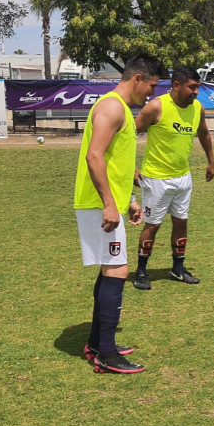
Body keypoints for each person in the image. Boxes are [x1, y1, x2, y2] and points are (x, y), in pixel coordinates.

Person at [74, 54, 163, 374]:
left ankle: (98, 343)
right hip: (98, 205)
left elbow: (115, 162)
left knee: (111, 269)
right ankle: (106, 355)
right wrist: (111, 205)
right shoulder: (112, 107)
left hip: (107, 202)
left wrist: (128, 201)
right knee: (117, 270)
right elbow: (94, 156)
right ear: (137, 78)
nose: (152, 93)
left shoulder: (121, 108)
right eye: (152, 85)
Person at [132, 66, 214, 290]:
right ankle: (141, 272)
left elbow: (204, 133)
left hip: (183, 177)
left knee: (181, 222)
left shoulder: (197, 108)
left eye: (198, 87)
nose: (196, 92)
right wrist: (131, 167)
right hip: (156, 178)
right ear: (177, 85)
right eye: (192, 87)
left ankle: (178, 269)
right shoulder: (156, 107)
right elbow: (128, 134)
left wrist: (211, 161)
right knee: (153, 225)